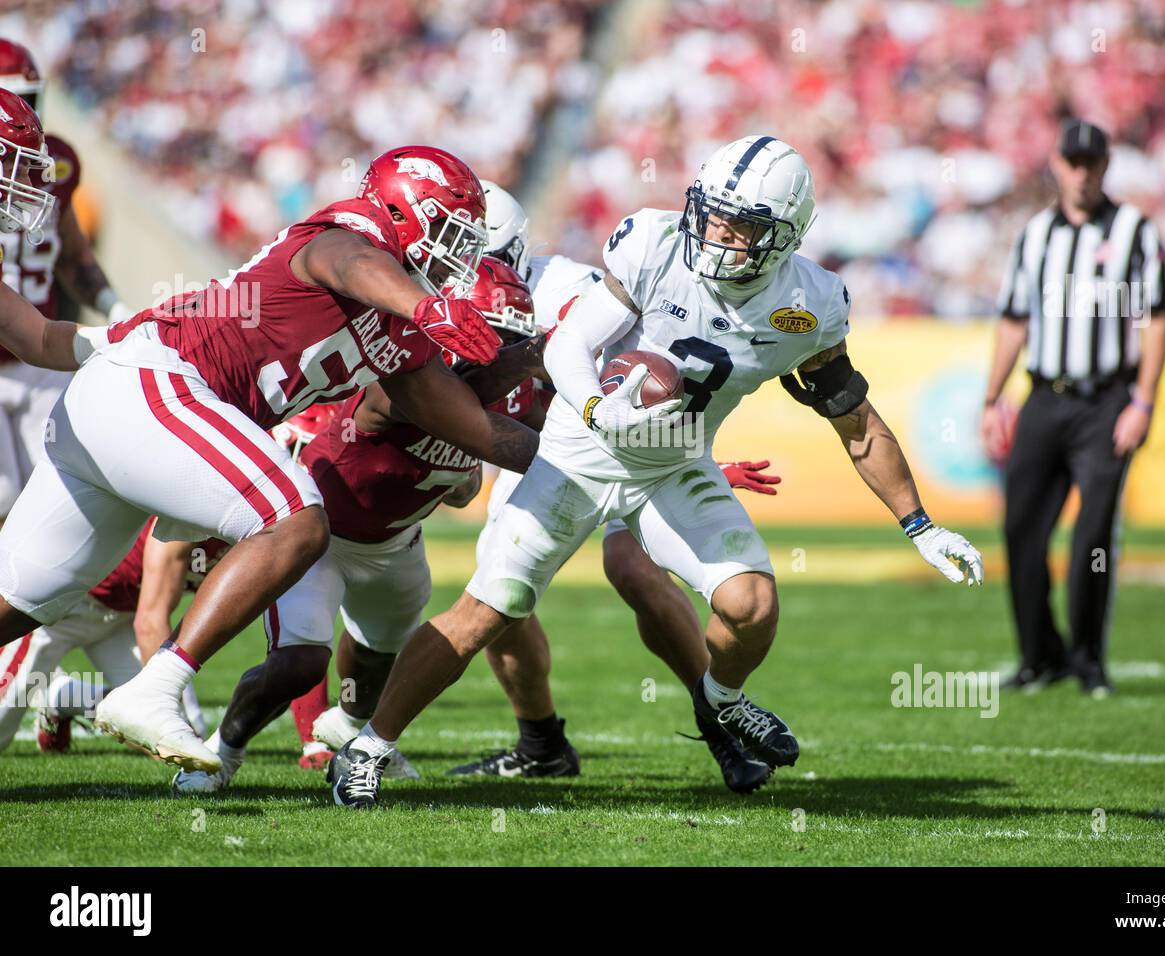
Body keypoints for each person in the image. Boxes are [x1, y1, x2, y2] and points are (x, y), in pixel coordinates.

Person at [329, 135, 984, 809]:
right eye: (713, 212)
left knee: (750, 603)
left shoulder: (810, 306)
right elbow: (574, 345)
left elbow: (857, 423)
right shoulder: (655, 244)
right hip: (578, 451)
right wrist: (594, 410)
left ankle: (722, 702)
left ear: (784, 236)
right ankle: (368, 747)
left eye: (744, 224)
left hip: (674, 465)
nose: (719, 233)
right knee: (490, 610)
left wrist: (920, 525)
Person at [0, 143, 539, 774]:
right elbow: (347, 262)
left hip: (122, 411)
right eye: (450, 232)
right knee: (297, 518)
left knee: (20, 601)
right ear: (403, 210)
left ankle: (152, 687)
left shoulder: (402, 338)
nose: (459, 256)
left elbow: (479, 429)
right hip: (150, 385)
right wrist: (423, 304)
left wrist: (582, 458)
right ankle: (157, 687)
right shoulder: (350, 234)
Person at [445, 181, 782, 793]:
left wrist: (688, 463)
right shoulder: (426, 299)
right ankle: (541, 742)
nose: (460, 268)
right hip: (542, 461)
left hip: (624, 449)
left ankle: (719, 726)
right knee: (498, 592)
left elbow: (660, 372)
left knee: (632, 566)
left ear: (513, 250)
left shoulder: (568, 289)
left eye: (477, 254)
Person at [171, 258, 543, 794]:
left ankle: (351, 739)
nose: (498, 350)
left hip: (398, 547)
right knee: (298, 665)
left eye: (510, 338)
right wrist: (527, 362)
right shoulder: (402, 370)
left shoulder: (512, 392)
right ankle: (223, 751)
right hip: (319, 538)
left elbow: (544, 438)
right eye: (493, 334)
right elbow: (475, 429)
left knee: (371, 676)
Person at [982, 119, 1165, 697]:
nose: (1082, 173)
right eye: (1073, 162)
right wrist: (992, 398)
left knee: (1091, 537)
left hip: (1107, 399)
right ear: (1057, 164)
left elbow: (1156, 317)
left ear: (1105, 167)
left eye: (1092, 163)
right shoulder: (1035, 232)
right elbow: (1014, 318)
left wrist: (1142, 399)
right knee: (1021, 529)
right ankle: (1040, 655)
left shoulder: (1135, 229)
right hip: (1044, 396)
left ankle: (1089, 661)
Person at [0, 40, 132, 519]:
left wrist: (119, 319)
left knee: (59, 491)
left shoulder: (54, 162)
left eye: (28, 104)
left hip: (36, 351)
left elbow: (72, 260)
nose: (24, 121)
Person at [0, 521, 223, 753]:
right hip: (57, 611)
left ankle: (62, 696)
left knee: (152, 734)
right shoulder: (188, 518)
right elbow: (151, 622)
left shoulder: (249, 530)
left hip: (119, 619)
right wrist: (173, 720)